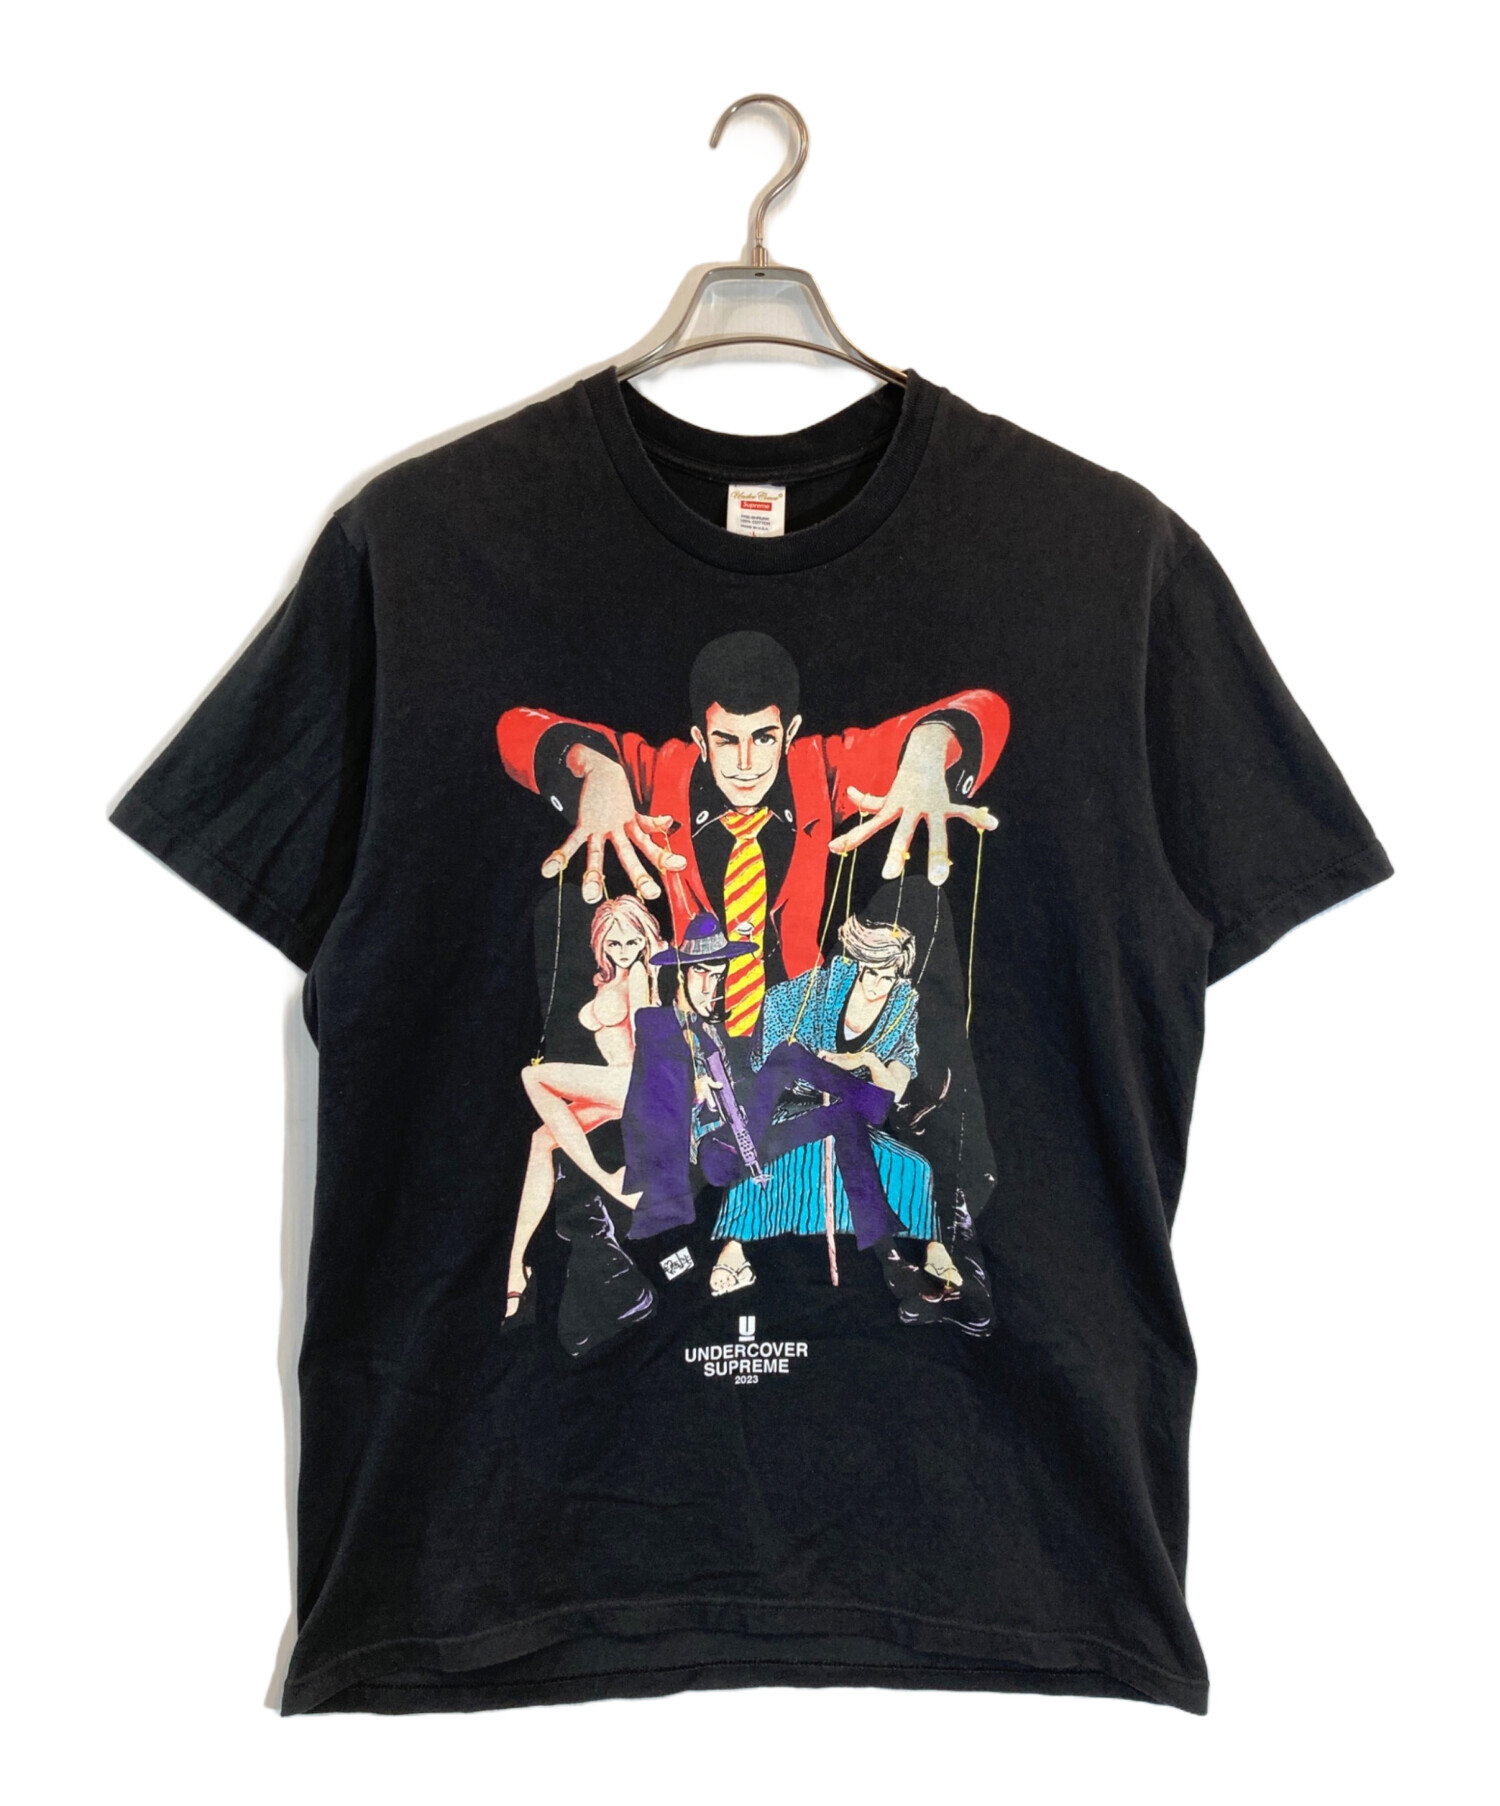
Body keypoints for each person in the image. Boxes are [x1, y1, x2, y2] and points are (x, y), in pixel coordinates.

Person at [496, 631, 1008, 1036]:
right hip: (694, 1030)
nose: (746, 764)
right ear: (700, 740)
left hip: (800, 1028)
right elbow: (514, 726)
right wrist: (596, 766)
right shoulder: (663, 773)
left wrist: (928, 751)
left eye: (763, 738)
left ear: (789, 734)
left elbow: (985, 704)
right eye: (726, 741)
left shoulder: (819, 768)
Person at [620, 912, 900, 1287]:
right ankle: (875, 1102)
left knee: (842, 1116)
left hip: (744, 1139)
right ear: (682, 973)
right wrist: (694, 1093)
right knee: (786, 1056)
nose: (712, 987)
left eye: (718, 975)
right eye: (702, 973)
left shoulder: (710, 1028)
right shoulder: (657, 1024)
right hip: (711, 1153)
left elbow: (739, 1085)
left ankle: (883, 1242)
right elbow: (653, 1099)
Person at [712, 916, 963, 1296]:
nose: (877, 986)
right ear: (858, 964)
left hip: (852, 1112)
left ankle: (927, 1248)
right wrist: (813, 1065)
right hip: (795, 1104)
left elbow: (894, 1089)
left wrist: (865, 1060)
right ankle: (734, 1249)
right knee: (765, 1151)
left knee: (911, 1164)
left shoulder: (902, 1007)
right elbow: (773, 1040)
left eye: (888, 977)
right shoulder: (820, 987)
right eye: (871, 973)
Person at [504, 895, 664, 1319]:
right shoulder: (611, 976)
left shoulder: (639, 975)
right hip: (615, 1087)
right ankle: (515, 1266)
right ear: (601, 943)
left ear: (645, 938)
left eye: (633, 942)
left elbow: (645, 1032)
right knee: (542, 1141)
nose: (625, 951)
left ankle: (606, 1180)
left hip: (631, 1083)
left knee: (533, 1077)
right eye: (615, 944)